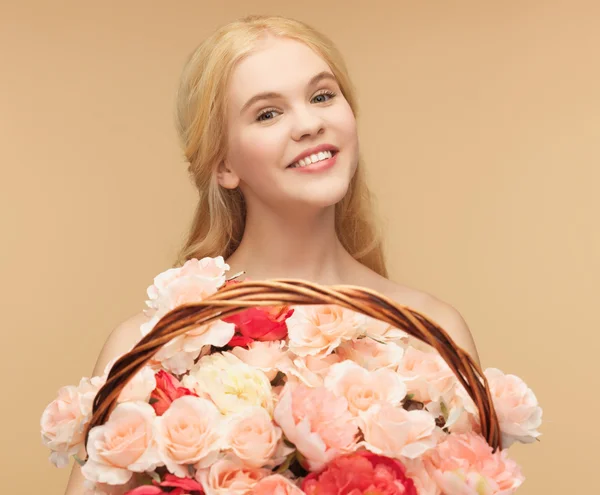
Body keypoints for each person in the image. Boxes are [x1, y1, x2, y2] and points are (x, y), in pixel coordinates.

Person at [64, 14, 480, 494]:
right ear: (223, 165)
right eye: (267, 113)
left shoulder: (430, 329)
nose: (309, 123)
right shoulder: (152, 343)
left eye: (322, 96)